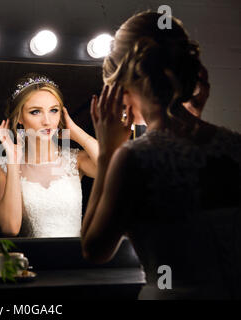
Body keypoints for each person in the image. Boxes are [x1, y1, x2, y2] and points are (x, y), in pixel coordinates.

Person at [81, 11, 241, 299]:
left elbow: (94, 249)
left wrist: (107, 152)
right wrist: (193, 119)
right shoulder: (232, 145)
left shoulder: (136, 157)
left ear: (121, 85)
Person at [0, 73, 99, 237]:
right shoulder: (1, 166)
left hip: (77, 258)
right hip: (34, 260)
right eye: (35, 112)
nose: (47, 121)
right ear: (19, 117)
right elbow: (10, 227)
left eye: (54, 110)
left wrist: (77, 133)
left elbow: (117, 171)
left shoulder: (76, 160)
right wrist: (13, 162)